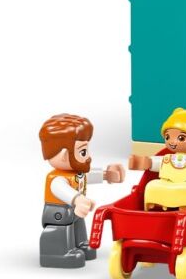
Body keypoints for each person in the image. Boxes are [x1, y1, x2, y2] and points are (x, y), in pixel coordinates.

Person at [38, 114, 125, 268]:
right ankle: (59, 252)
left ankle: (80, 243)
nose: (88, 157)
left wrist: (106, 175)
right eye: (83, 152)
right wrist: (77, 199)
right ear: (65, 155)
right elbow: (62, 190)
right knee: (62, 230)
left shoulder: (76, 173)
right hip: (58, 214)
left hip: (75, 210)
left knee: (78, 225)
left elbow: (87, 176)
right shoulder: (56, 179)